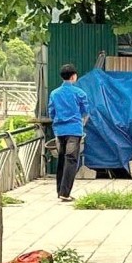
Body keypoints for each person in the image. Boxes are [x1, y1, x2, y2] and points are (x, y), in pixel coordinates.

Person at [48, 63, 90, 202]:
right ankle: (65, 193)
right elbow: (85, 112)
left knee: (61, 160)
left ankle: (59, 190)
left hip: (59, 131)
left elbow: (51, 112)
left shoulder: (54, 93)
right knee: (71, 160)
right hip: (74, 130)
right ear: (73, 76)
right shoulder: (79, 93)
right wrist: (81, 122)